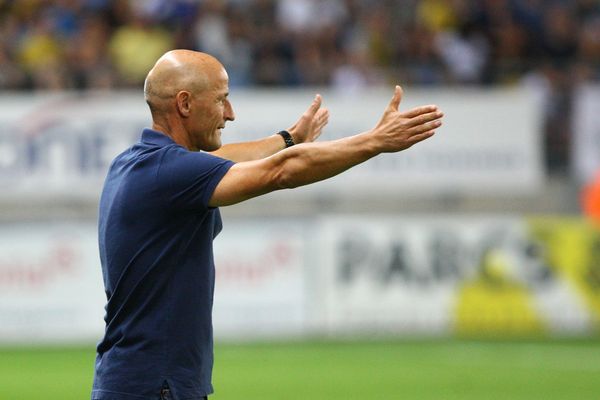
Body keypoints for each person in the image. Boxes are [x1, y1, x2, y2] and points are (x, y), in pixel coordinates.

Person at [92, 49, 443, 400]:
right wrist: (374, 141)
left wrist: (288, 138)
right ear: (184, 104)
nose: (230, 114)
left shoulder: (136, 163)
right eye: (221, 100)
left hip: (136, 379)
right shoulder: (170, 173)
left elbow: (221, 160)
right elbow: (281, 171)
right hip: (155, 385)